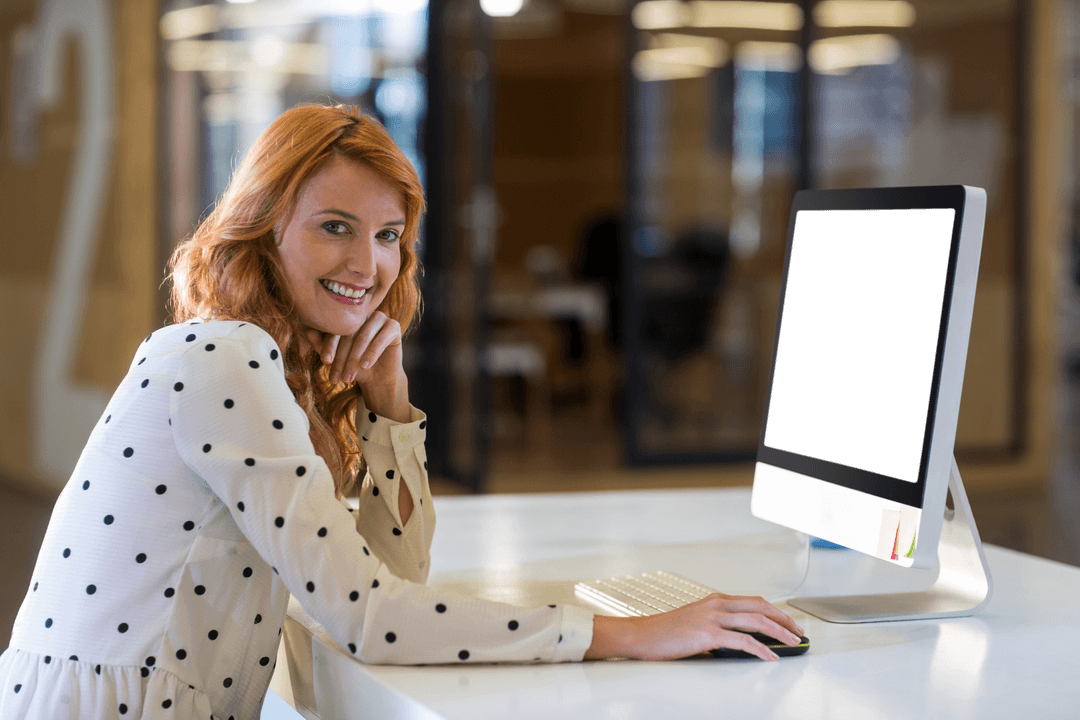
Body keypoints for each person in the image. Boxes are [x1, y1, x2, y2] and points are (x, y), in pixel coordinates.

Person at [0, 104, 804, 720]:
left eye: (389, 235)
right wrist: (632, 634)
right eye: (335, 228)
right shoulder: (223, 358)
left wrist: (391, 410)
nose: (370, 263)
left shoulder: (278, 368)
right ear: (261, 227)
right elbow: (370, 616)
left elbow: (393, 579)